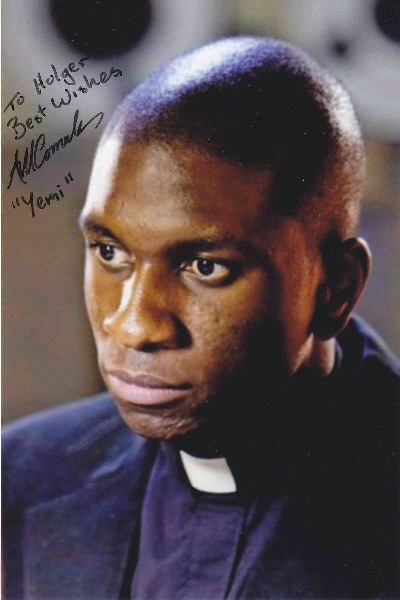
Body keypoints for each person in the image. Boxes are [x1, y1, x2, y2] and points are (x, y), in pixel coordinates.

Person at [3, 37, 399, 600]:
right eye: (110, 252)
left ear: (335, 288)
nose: (134, 325)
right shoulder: (19, 476)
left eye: (206, 266)